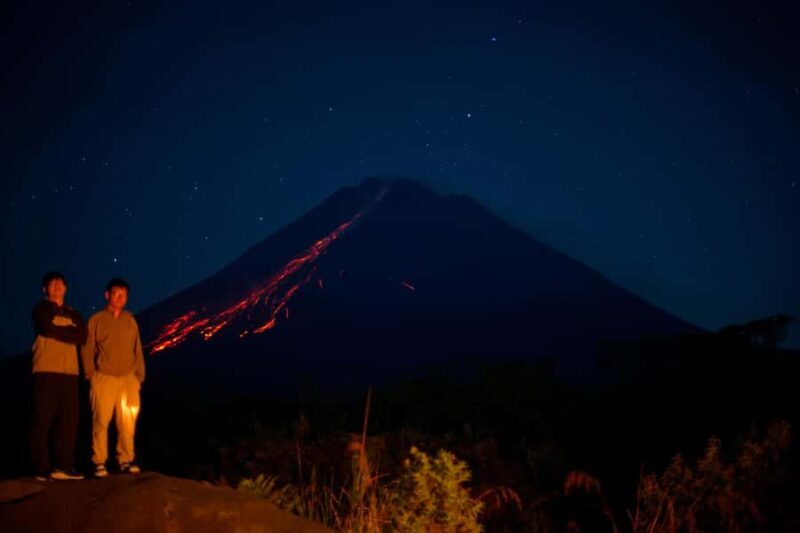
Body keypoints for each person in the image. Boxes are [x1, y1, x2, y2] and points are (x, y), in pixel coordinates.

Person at [81, 278, 145, 478]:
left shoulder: (130, 321)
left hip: (128, 378)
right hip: (104, 377)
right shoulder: (96, 320)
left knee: (127, 421)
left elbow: (137, 348)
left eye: (124, 295)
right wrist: (91, 374)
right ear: (107, 295)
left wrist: (139, 375)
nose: (120, 298)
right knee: (101, 420)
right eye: (116, 294)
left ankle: (125, 459)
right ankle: (99, 461)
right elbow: (87, 348)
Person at [30, 271, 87, 481]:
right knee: (42, 420)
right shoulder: (41, 309)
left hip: (70, 372)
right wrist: (68, 332)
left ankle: (63, 465)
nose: (57, 286)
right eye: (52, 283)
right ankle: (41, 468)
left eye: (60, 283)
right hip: (46, 370)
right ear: (45, 289)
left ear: (66, 288)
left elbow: (82, 336)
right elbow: (47, 329)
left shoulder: (73, 313)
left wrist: (59, 330)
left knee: (68, 421)